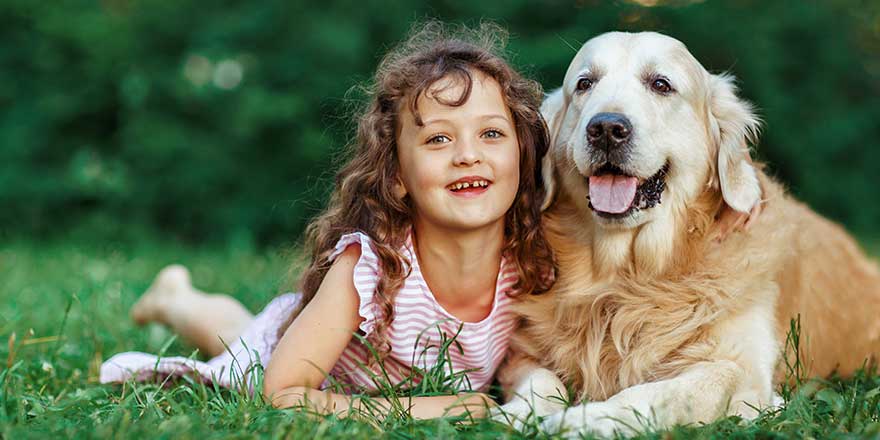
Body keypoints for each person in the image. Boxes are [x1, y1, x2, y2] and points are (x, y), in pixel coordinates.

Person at [100, 22, 557, 420]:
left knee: (238, 327)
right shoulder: (370, 268)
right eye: (438, 138)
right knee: (241, 345)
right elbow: (282, 393)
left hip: (305, 335)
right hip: (295, 358)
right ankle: (174, 298)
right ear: (397, 175)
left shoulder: (531, 260)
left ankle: (175, 292)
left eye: (492, 133)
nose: (468, 155)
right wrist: (435, 407)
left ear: (523, 151)